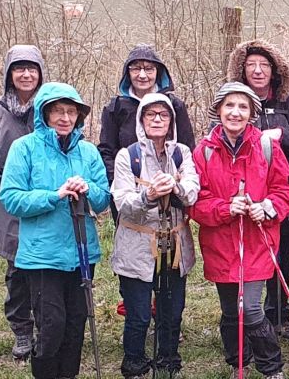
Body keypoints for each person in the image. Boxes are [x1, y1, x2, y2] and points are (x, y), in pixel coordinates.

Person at [0, 82, 113, 378]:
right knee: (52, 326)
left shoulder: (87, 152)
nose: (64, 117)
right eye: (58, 111)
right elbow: (11, 197)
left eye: (71, 111)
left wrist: (88, 190)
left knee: (76, 322)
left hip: (81, 250)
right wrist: (54, 195)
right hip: (42, 254)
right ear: (45, 114)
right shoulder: (24, 148)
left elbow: (103, 198)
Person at [190, 83, 289, 379]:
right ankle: (238, 360)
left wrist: (267, 207)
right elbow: (196, 203)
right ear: (219, 110)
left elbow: (286, 190)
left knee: (249, 308)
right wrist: (225, 208)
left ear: (251, 113)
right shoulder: (204, 151)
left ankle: (272, 368)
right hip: (220, 244)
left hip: (257, 242)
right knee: (230, 311)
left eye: (243, 107)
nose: (235, 112)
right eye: (229, 106)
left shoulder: (266, 146)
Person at [107, 93, 201, 378]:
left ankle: (168, 359)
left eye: (163, 114)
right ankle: (134, 362)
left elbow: (194, 190)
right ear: (141, 120)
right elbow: (121, 201)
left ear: (172, 120)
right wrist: (148, 195)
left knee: (172, 310)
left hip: (173, 243)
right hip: (137, 244)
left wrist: (175, 186)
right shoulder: (128, 156)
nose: (157, 119)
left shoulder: (181, 153)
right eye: (151, 114)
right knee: (138, 313)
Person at [227, 39, 289, 338]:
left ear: (274, 71)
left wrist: (278, 134)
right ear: (242, 70)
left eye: (264, 66)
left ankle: (278, 315)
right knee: (245, 255)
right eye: (251, 66)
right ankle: (246, 316)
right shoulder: (236, 101)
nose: (258, 71)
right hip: (243, 189)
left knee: (281, 255)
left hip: (278, 188)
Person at [0, 44, 44, 360]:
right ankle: (22, 330)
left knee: (45, 266)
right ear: (9, 73)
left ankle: (48, 325)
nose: (26, 74)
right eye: (20, 68)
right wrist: (0, 185)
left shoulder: (51, 106)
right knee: (17, 268)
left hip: (46, 195)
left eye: (32, 68)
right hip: (9, 195)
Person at [99, 44, 196, 184]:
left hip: (171, 187)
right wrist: (119, 184)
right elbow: (106, 151)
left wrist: (181, 185)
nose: (142, 75)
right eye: (136, 68)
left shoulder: (174, 105)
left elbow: (187, 148)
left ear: (159, 72)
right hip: (129, 188)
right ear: (128, 73)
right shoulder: (116, 108)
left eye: (149, 69)